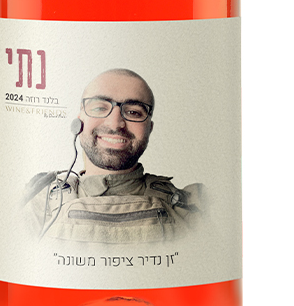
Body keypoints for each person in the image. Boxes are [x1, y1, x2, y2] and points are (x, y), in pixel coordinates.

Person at [24, 68, 204, 243]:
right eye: (99, 108)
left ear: (149, 129)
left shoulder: (194, 209)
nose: (115, 123)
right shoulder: (36, 205)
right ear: (79, 121)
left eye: (133, 112)